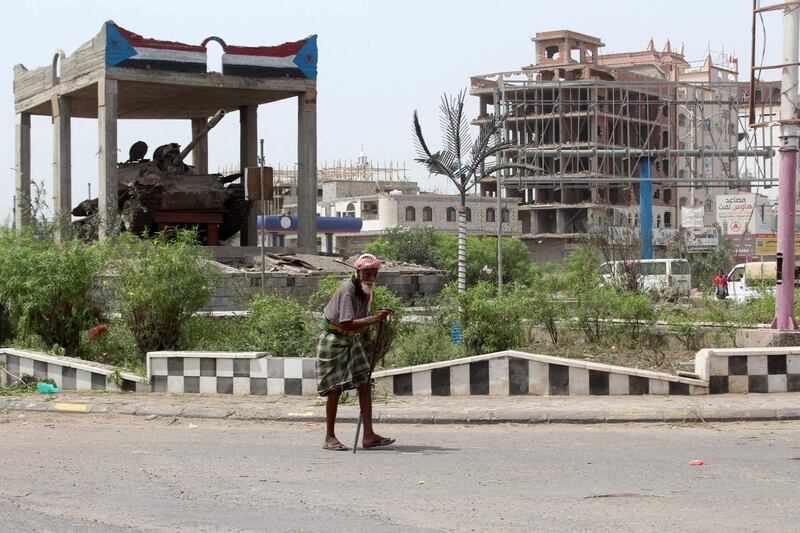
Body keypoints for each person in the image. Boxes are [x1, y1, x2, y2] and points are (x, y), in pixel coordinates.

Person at [317, 253, 395, 451]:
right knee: (334, 388)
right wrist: (375, 320)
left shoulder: (367, 291)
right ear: (358, 272)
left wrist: (376, 320)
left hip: (351, 338)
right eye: (368, 272)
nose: (372, 277)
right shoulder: (347, 290)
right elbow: (346, 321)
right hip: (334, 339)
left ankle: (368, 435)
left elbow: (358, 321)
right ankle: (329, 437)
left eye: (375, 273)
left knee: (364, 383)